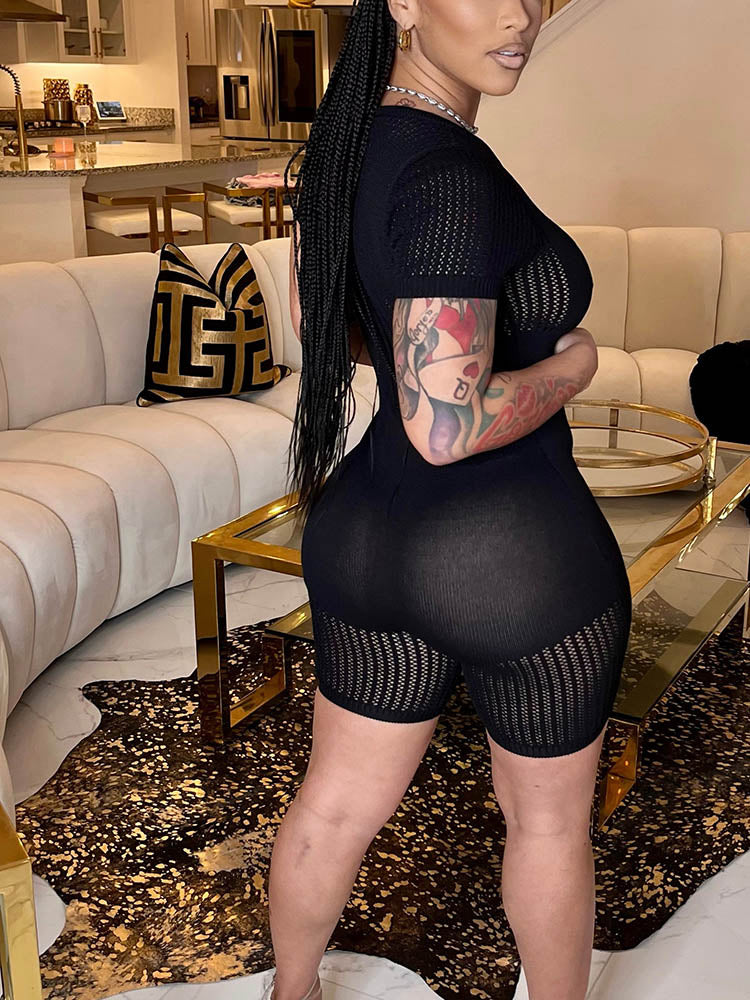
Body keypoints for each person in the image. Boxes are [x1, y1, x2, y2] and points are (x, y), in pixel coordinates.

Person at [264, 2, 632, 998]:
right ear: (404, 4)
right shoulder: (449, 173)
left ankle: (290, 991)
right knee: (546, 824)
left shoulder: (346, 149)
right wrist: (573, 368)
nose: (519, 17)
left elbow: (328, 322)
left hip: (364, 537)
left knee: (335, 804)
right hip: (507, 554)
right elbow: (445, 423)